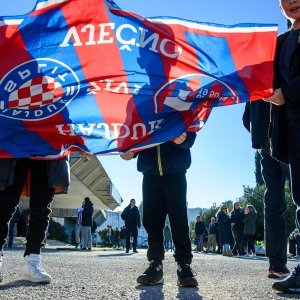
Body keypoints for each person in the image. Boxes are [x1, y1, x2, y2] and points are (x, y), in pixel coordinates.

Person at [121, 131, 198, 287]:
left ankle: (183, 265)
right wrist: (129, 148)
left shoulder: (180, 105)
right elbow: (134, 126)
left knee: (179, 219)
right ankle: (156, 265)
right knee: (151, 221)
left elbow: (193, 120)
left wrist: (186, 138)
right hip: (150, 171)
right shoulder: (141, 106)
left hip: (175, 170)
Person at [261, 0, 300, 293]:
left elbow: (285, 87)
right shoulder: (280, 42)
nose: (292, 1)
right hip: (289, 132)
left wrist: (287, 92)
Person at [0, 157, 70, 284]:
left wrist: (77, 141)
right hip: (17, 142)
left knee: (42, 206)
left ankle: (32, 259)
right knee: (5, 201)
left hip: (47, 145)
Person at [243, 92, 290, 274]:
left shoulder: (254, 68)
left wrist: (260, 133)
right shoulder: (281, 64)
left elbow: (247, 118)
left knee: (273, 199)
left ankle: (276, 263)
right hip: (287, 129)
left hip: (264, 137)